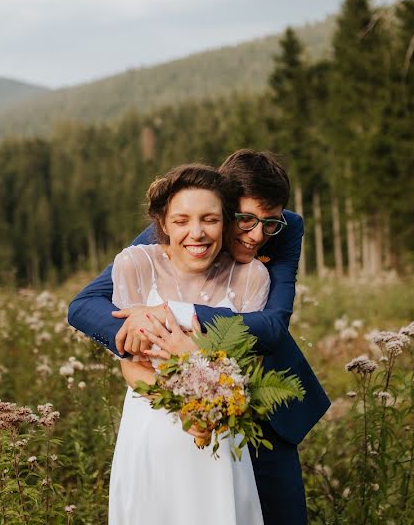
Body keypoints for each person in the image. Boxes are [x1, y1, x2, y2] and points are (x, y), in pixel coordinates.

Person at [68, 149, 331, 525]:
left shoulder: (287, 228)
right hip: (172, 414)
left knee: (279, 513)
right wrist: (140, 334)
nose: (257, 235)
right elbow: (83, 305)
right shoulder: (184, 222)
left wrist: (175, 315)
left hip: (267, 398)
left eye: (268, 223)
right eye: (244, 220)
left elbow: (273, 326)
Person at [108, 163, 268, 524]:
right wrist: (183, 405)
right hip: (150, 430)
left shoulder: (250, 277)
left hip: (220, 436)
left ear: (225, 221)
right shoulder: (135, 264)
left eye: (209, 219)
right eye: (182, 221)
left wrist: (206, 397)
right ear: (163, 224)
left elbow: (248, 368)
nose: (196, 233)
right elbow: (131, 364)